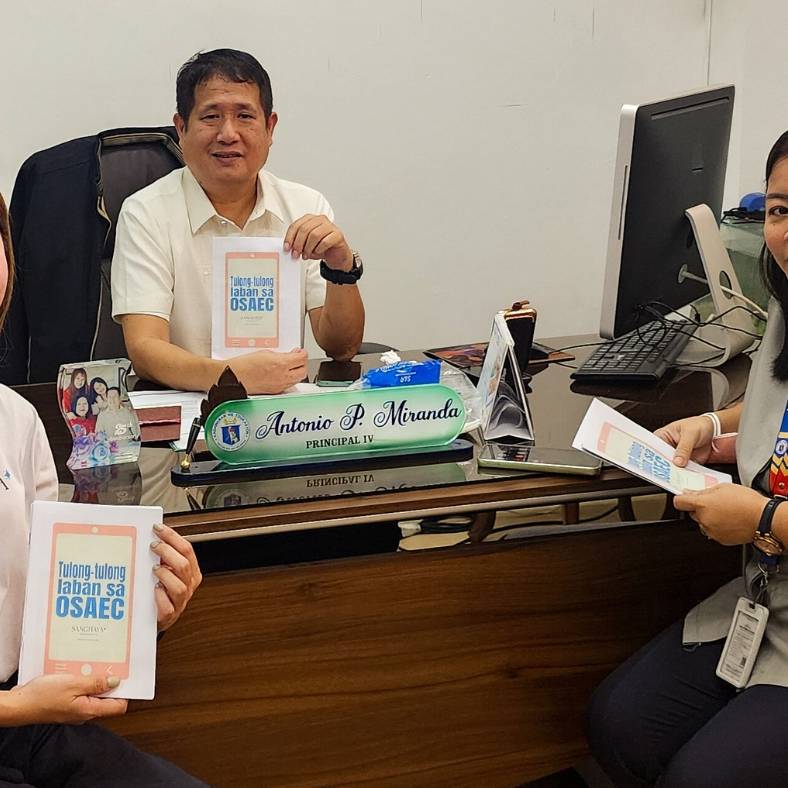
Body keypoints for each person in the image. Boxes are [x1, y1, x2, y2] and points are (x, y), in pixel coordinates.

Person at [587, 130, 788, 788]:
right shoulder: (787, 308)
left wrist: (760, 517)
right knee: (621, 724)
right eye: (782, 210)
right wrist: (711, 427)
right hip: (768, 596)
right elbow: (771, 401)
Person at [0, 194, 205, 784]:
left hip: (27, 726)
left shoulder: (14, 417)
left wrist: (141, 612)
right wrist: (18, 707)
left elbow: (46, 601)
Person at [111, 48, 365, 396]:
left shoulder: (306, 206)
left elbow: (341, 347)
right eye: (211, 117)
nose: (228, 133)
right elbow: (145, 350)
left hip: (288, 414)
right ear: (181, 128)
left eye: (245, 116)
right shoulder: (146, 212)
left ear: (269, 127)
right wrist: (231, 377)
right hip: (193, 410)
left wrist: (341, 267)